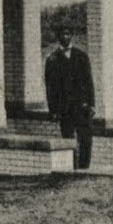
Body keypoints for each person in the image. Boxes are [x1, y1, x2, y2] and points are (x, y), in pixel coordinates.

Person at [43, 28, 96, 169]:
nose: (65, 37)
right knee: (67, 139)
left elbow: (89, 82)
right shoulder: (52, 60)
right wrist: (53, 110)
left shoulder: (82, 57)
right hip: (64, 108)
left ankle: (84, 167)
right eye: (62, 34)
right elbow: (50, 87)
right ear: (58, 37)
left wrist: (91, 104)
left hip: (81, 107)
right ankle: (71, 168)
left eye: (68, 34)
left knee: (85, 138)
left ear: (71, 36)